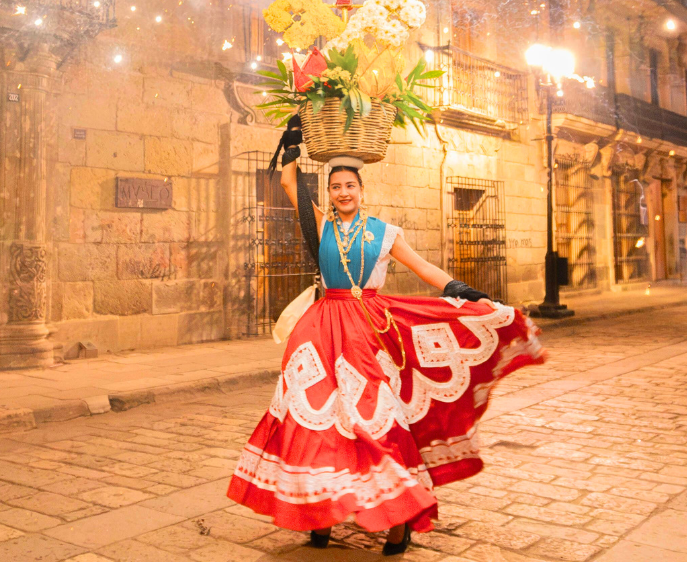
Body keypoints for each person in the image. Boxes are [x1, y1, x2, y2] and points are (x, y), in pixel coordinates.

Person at [227, 118, 546, 555]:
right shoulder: (318, 225)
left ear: (361, 190)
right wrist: (292, 142)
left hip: (370, 332)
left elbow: (423, 268)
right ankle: (321, 511)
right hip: (319, 331)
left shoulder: (383, 233)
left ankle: (399, 520)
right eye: (335, 186)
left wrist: (460, 290)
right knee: (313, 417)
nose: (342, 192)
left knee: (374, 419)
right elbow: (288, 181)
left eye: (349, 186)